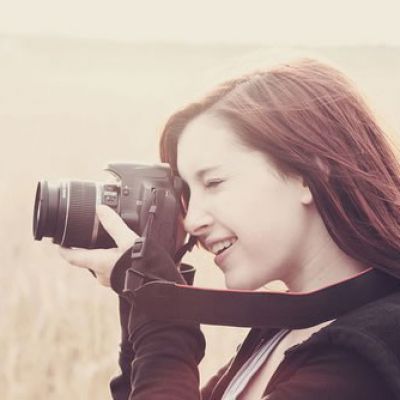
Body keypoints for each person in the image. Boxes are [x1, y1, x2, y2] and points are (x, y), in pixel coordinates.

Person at [60, 58, 400, 399]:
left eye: (214, 182)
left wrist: (162, 316)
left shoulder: (370, 355)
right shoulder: (286, 331)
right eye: (188, 193)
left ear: (309, 174)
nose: (192, 220)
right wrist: (142, 296)